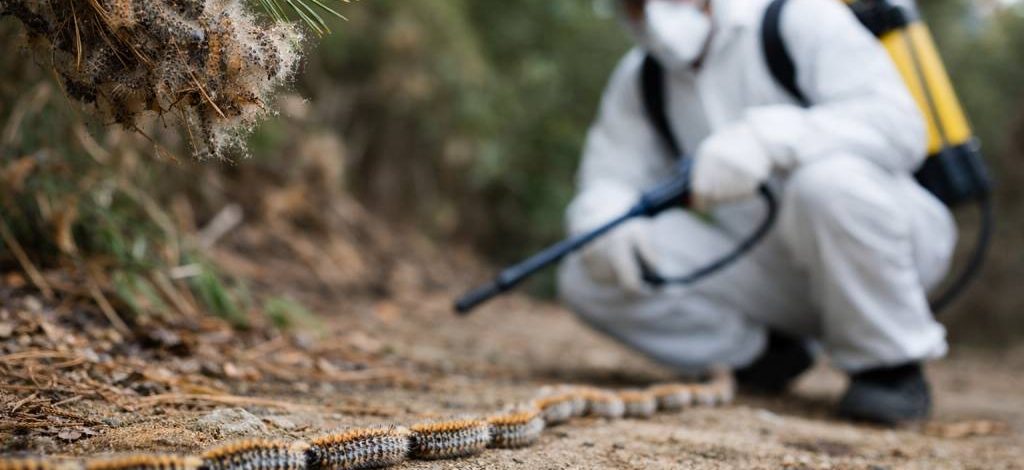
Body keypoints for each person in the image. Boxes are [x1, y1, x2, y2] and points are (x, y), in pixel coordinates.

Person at [557, 0, 956, 424]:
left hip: (890, 246)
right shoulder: (640, 77)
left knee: (825, 184)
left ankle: (889, 367)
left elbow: (900, 126)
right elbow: (607, 177)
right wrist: (604, 218)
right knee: (588, 269)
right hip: (772, 268)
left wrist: (771, 138)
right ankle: (764, 355)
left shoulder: (800, 15)